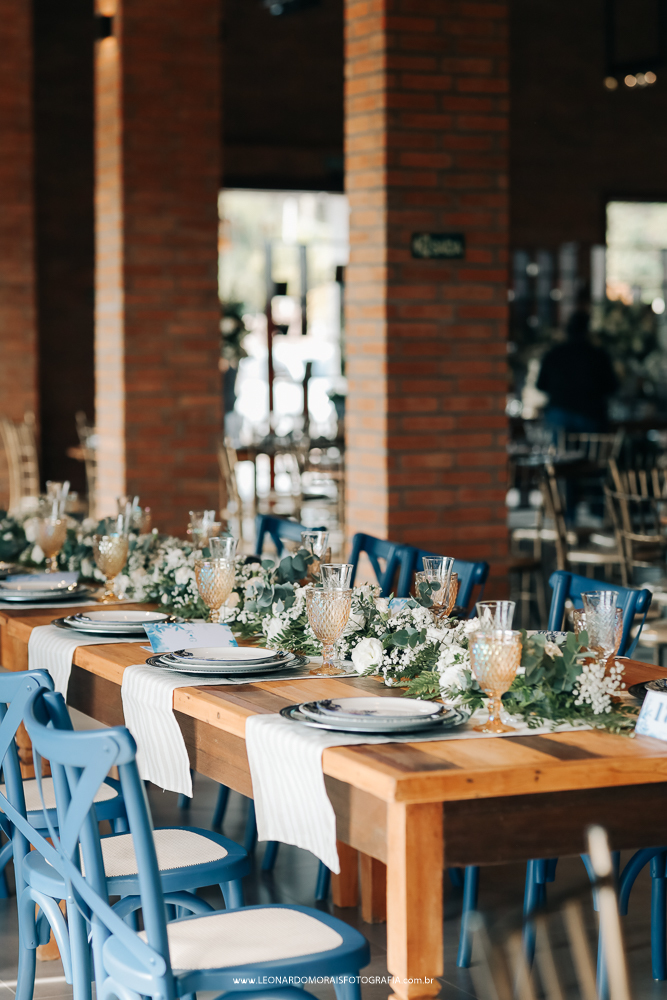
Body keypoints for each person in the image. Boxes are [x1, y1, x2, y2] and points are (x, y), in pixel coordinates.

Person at [537, 299, 618, 434]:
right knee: (591, 454)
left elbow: (540, 384)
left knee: (560, 453)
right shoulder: (598, 355)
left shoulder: (554, 354)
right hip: (591, 413)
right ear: (588, 330)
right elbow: (612, 386)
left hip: (560, 411)